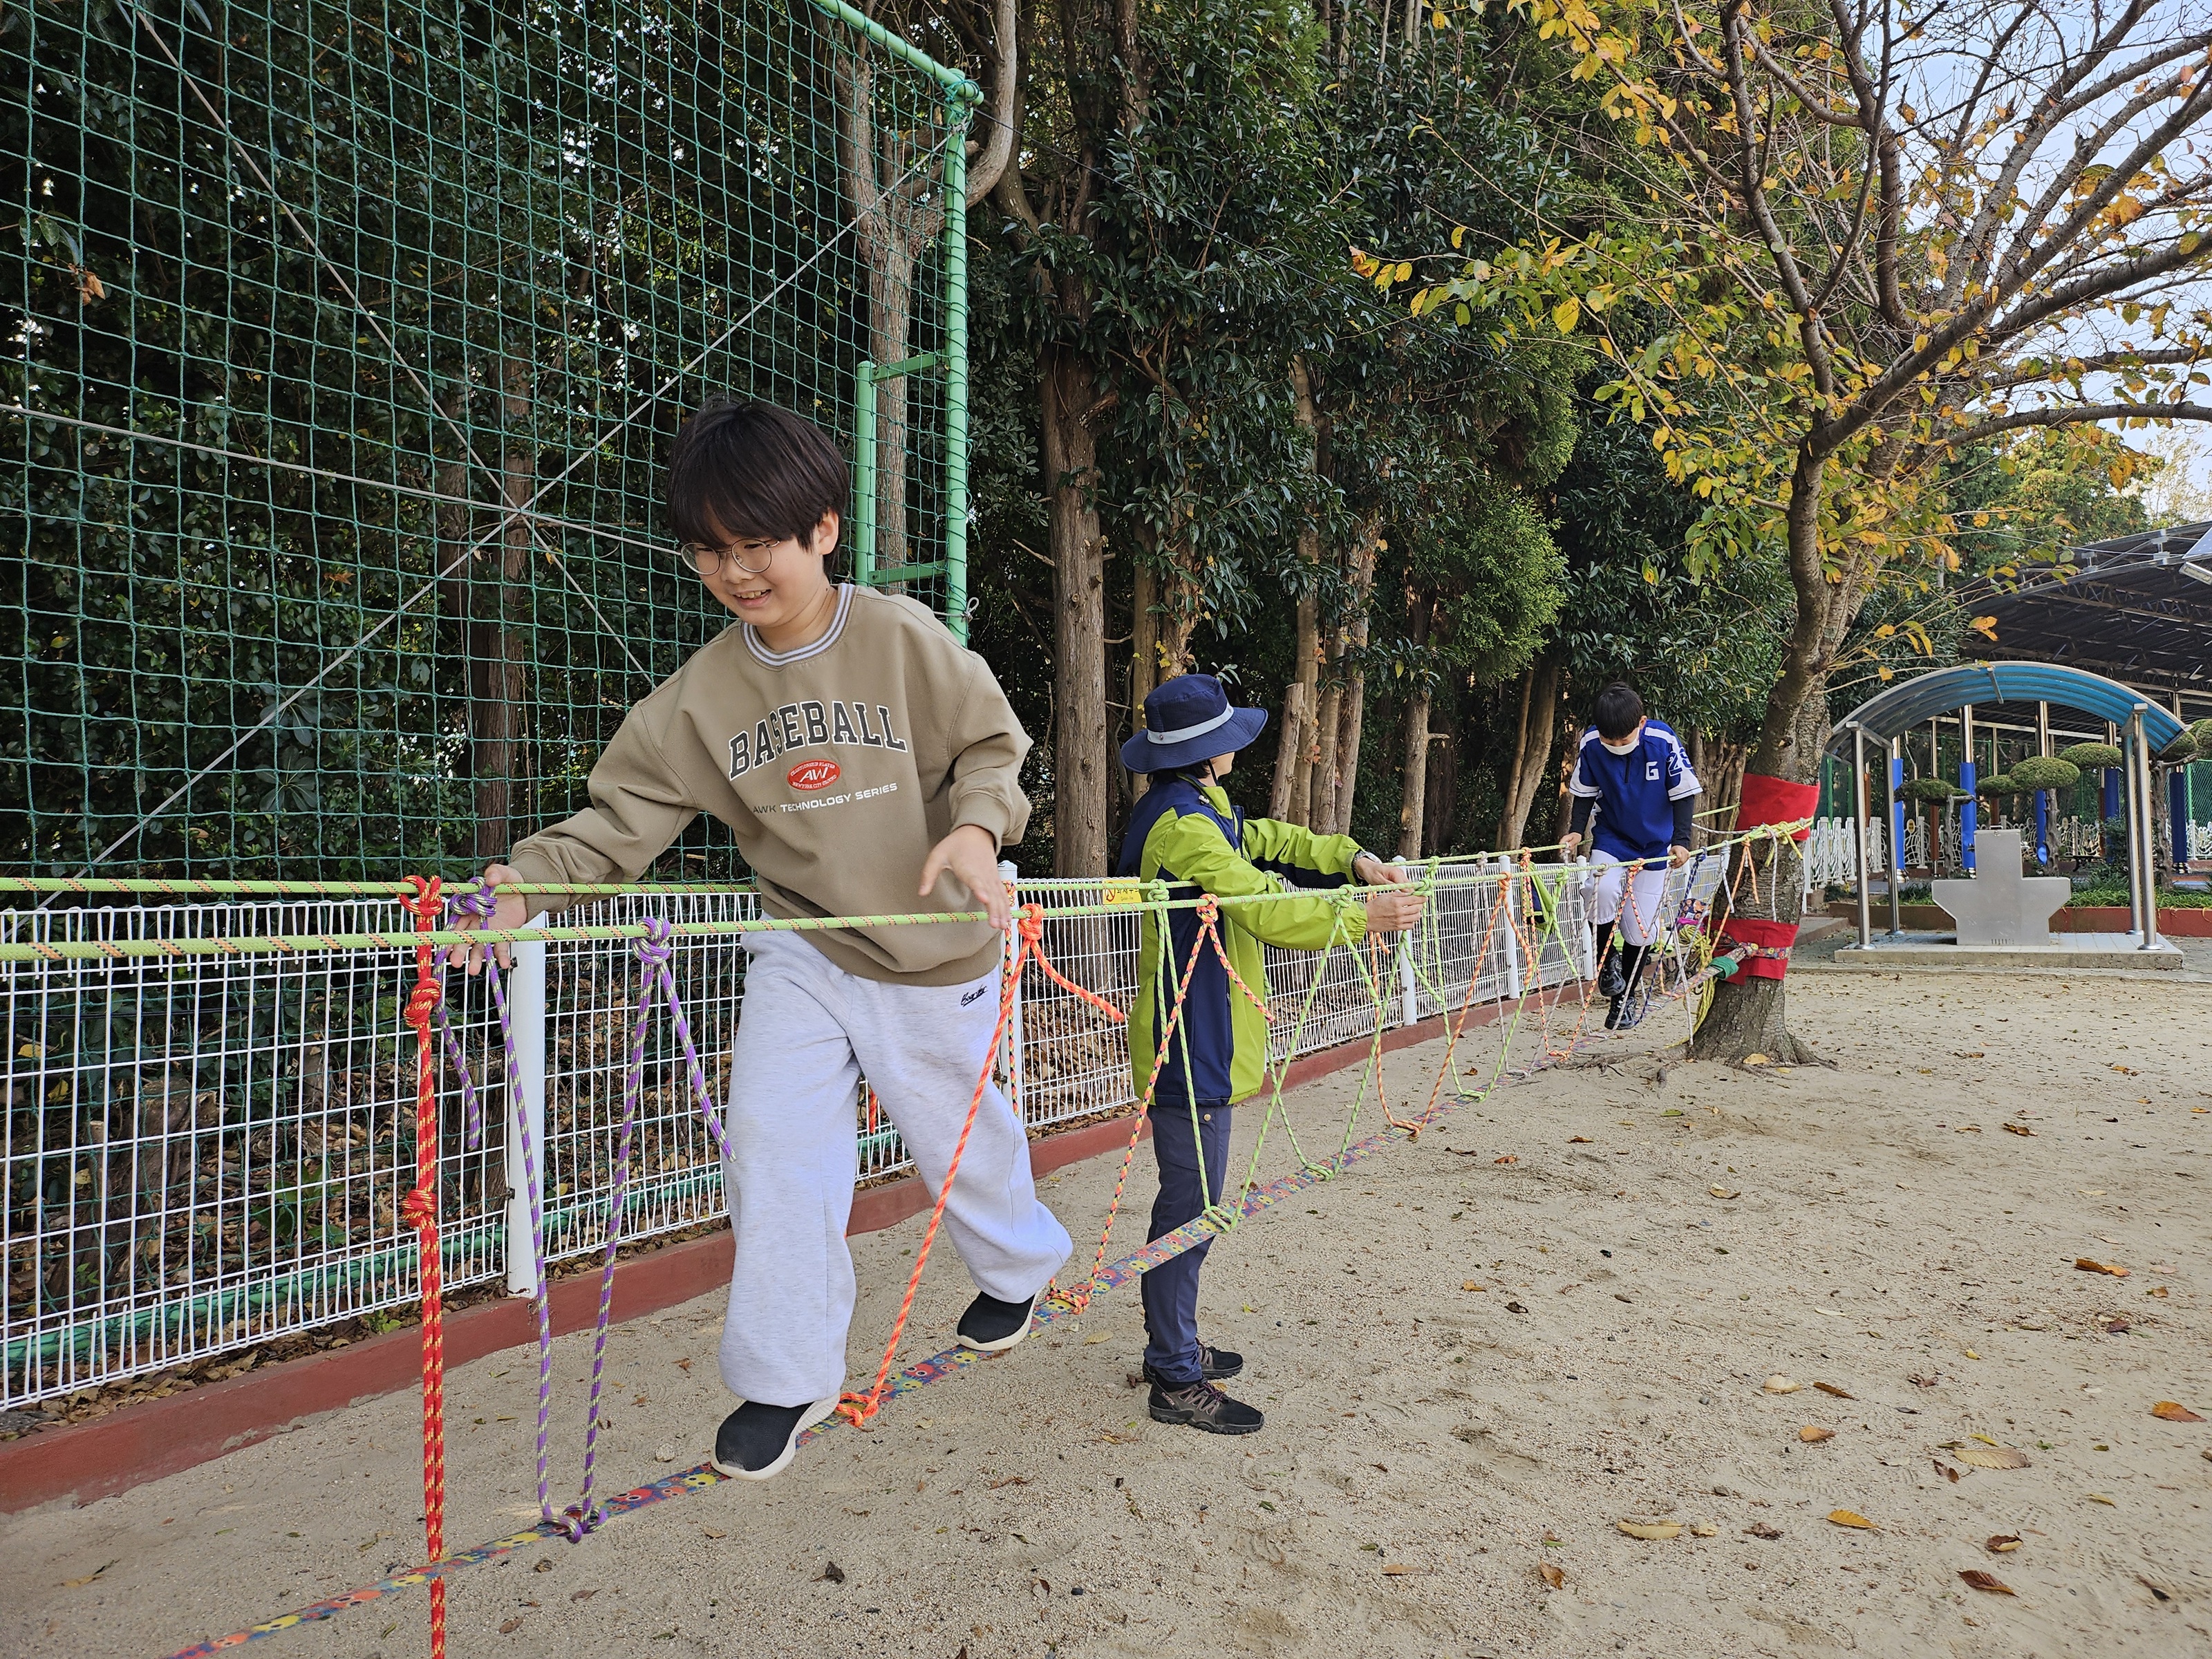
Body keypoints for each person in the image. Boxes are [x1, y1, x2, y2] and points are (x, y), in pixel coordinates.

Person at [447, 399, 1070, 1481]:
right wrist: (522, 891)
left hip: (936, 949)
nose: (737, 571)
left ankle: (1017, 1268)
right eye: (711, 550)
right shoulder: (701, 700)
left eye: (758, 544)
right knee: (775, 1151)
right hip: (805, 948)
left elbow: (991, 742)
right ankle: (785, 1378)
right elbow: (616, 822)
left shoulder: (899, 637)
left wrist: (977, 829)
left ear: (824, 530)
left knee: (956, 1141)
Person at [1116, 674, 1424, 1434]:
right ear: (1209, 753)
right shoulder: (1179, 827)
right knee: (1190, 1209)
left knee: (1200, 1204)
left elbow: (1275, 841)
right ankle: (1173, 1373)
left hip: (1211, 1032)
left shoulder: (1205, 811)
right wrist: (1364, 918)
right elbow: (1262, 902)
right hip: (1191, 1039)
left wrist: (1354, 862)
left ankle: (1175, 1344)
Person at [1557, 680, 1703, 1030]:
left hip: (1656, 844)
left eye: (1624, 739)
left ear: (1641, 723)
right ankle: (1607, 966)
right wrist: (1577, 830)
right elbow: (1584, 793)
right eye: (1611, 741)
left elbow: (1683, 793)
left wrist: (1681, 840)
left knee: (1640, 930)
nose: (1618, 746)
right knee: (1600, 891)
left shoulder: (1662, 741)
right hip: (1612, 837)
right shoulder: (1592, 744)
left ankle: (1626, 998)